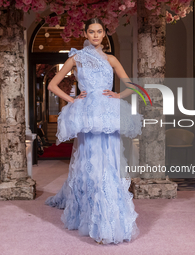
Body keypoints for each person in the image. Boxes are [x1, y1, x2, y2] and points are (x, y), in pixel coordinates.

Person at [45, 18, 143, 244]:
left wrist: (118, 95)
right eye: (92, 31)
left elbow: (132, 86)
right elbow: (52, 85)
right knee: (89, 164)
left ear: (104, 34)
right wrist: (72, 99)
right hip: (88, 114)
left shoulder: (111, 59)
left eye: (100, 31)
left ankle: (109, 218)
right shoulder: (77, 58)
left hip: (108, 113)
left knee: (110, 163)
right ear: (85, 33)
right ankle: (90, 216)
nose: (96, 35)